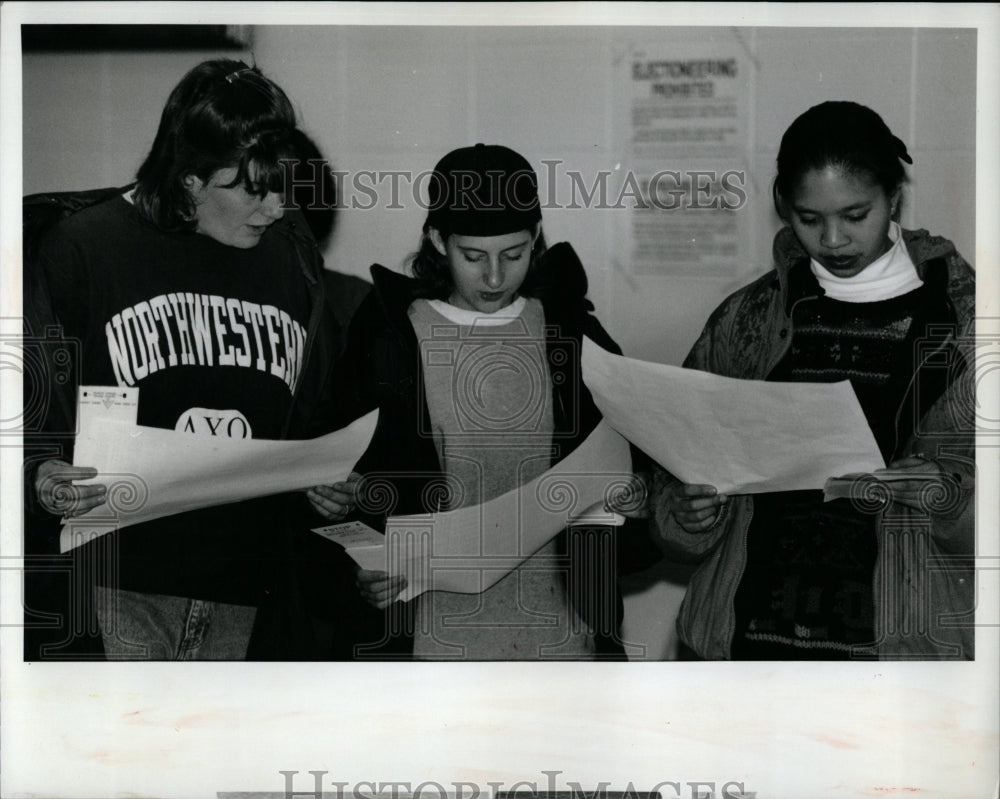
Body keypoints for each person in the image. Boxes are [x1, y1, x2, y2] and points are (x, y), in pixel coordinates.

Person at [24, 59, 344, 660]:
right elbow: (28, 408)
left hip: (248, 587)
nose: (275, 207)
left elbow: (308, 412)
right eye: (251, 189)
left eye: (282, 185)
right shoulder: (83, 247)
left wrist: (331, 479)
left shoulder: (291, 256)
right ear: (189, 181)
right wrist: (37, 476)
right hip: (117, 588)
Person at [650, 101, 975, 661]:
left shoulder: (965, 323)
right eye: (809, 218)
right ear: (783, 207)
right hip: (739, 649)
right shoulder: (749, 317)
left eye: (855, 215)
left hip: (895, 661)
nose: (832, 240)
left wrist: (946, 497)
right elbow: (673, 472)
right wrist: (684, 514)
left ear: (893, 196)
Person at [301, 143, 641, 660]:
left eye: (515, 254)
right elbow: (335, 484)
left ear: (537, 240)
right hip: (428, 651)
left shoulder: (569, 330)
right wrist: (356, 562)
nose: (496, 278)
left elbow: (630, 470)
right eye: (474, 257)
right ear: (438, 240)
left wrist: (634, 497)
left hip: (562, 646)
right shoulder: (389, 333)